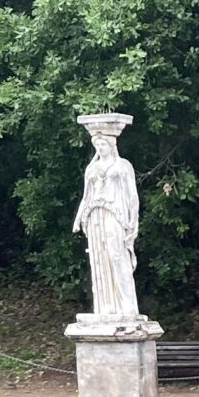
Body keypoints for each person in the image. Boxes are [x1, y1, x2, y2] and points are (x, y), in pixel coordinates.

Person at [74, 114, 142, 323]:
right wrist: (78, 219)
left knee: (116, 254)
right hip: (94, 216)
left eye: (103, 144)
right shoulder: (92, 168)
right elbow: (86, 196)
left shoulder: (123, 166)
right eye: (97, 144)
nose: (100, 147)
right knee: (99, 257)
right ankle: (106, 306)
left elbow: (132, 196)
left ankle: (127, 305)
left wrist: (133, 220)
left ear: (112, 145)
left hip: (115, 215)